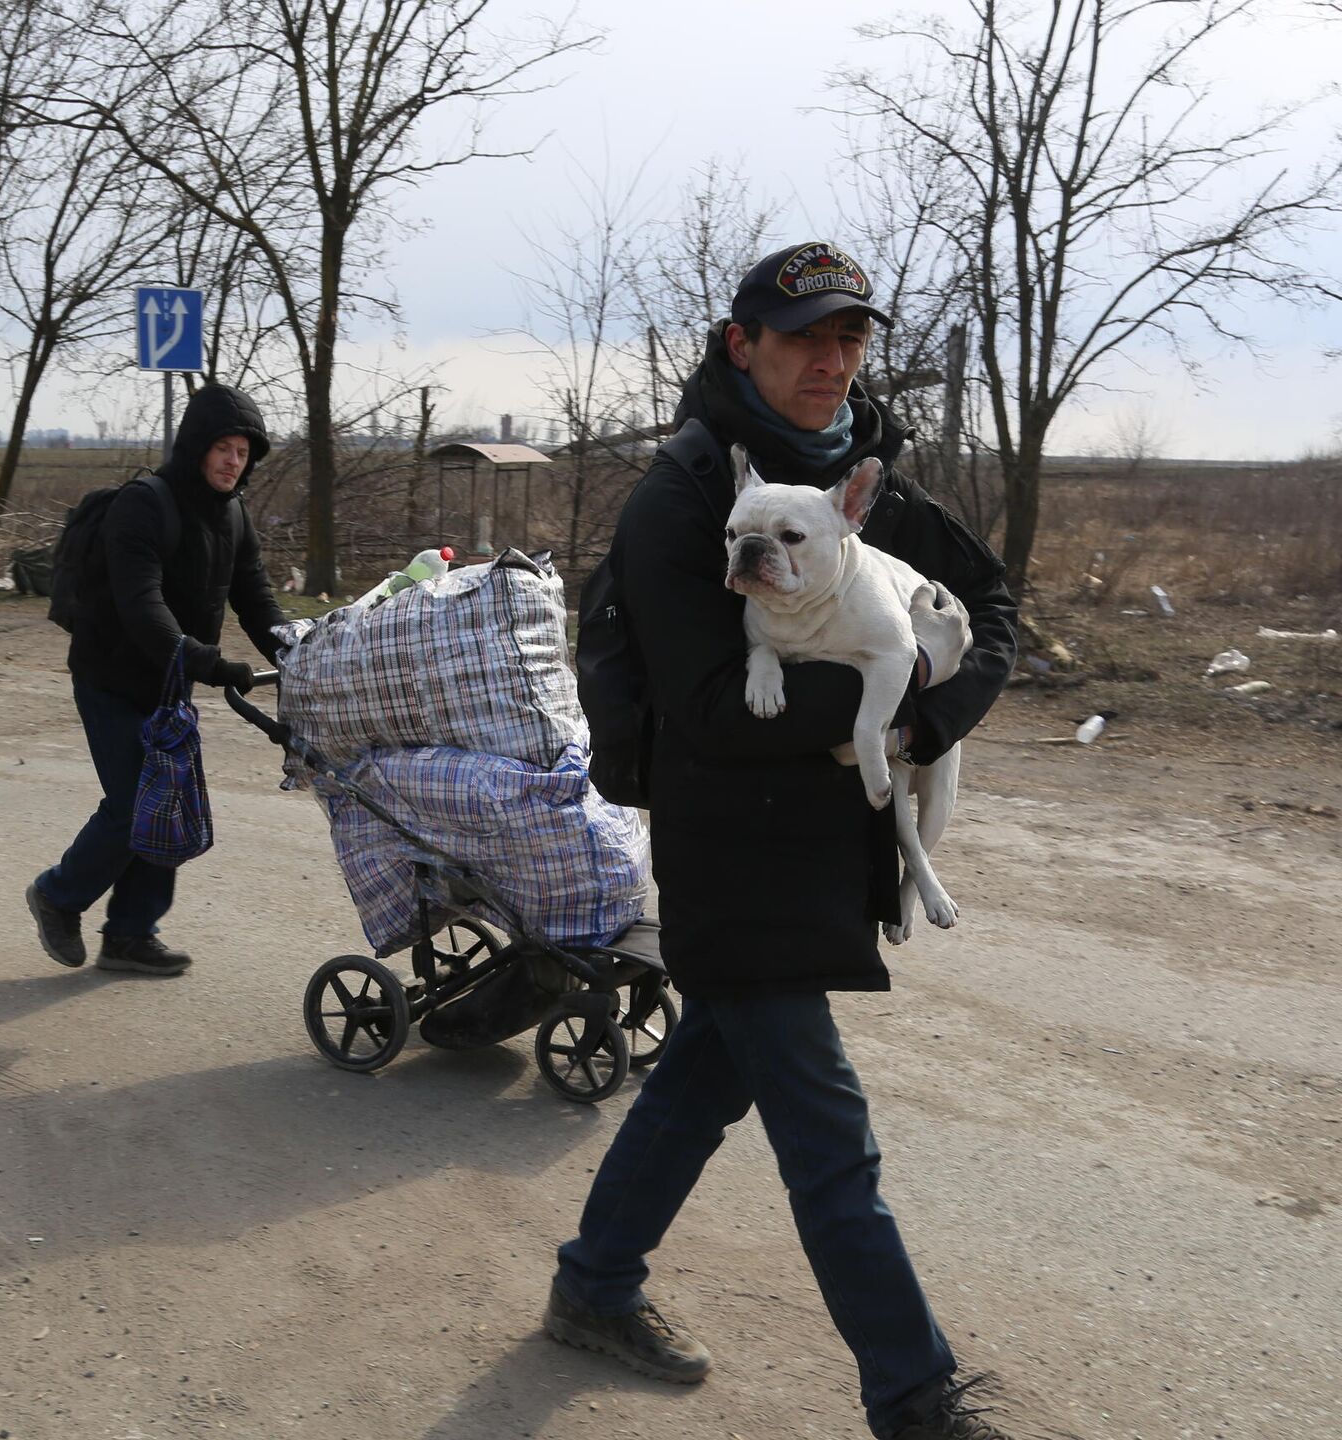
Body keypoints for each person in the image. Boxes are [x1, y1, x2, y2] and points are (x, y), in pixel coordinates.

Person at [542, 241, 1022, 1440]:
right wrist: (886, 707)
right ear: (738, 346)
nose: (831, 359)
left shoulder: (864, 482)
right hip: (730, 850)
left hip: (825, 845)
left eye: (850, 337)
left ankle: (594, 1284)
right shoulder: (680, 503)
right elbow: (707, 706)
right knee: (828, 1136)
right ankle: (915, 1399)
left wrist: (938, 708)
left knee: (704, 1078)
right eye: (804, 336)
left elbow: (992, 604)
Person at [22, 382, 285, 978]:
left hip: (169, 684)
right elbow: (142, 606)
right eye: (222, 447)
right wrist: (207, 663)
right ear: (195, 445)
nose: (232, 461)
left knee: (164, 801)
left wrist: (299, 650)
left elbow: (258, 599)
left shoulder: (235, 514)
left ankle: (131, 934)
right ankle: (58, 896)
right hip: (110, 677)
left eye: (243, 452)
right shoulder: (145, 504)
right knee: (135, 801)